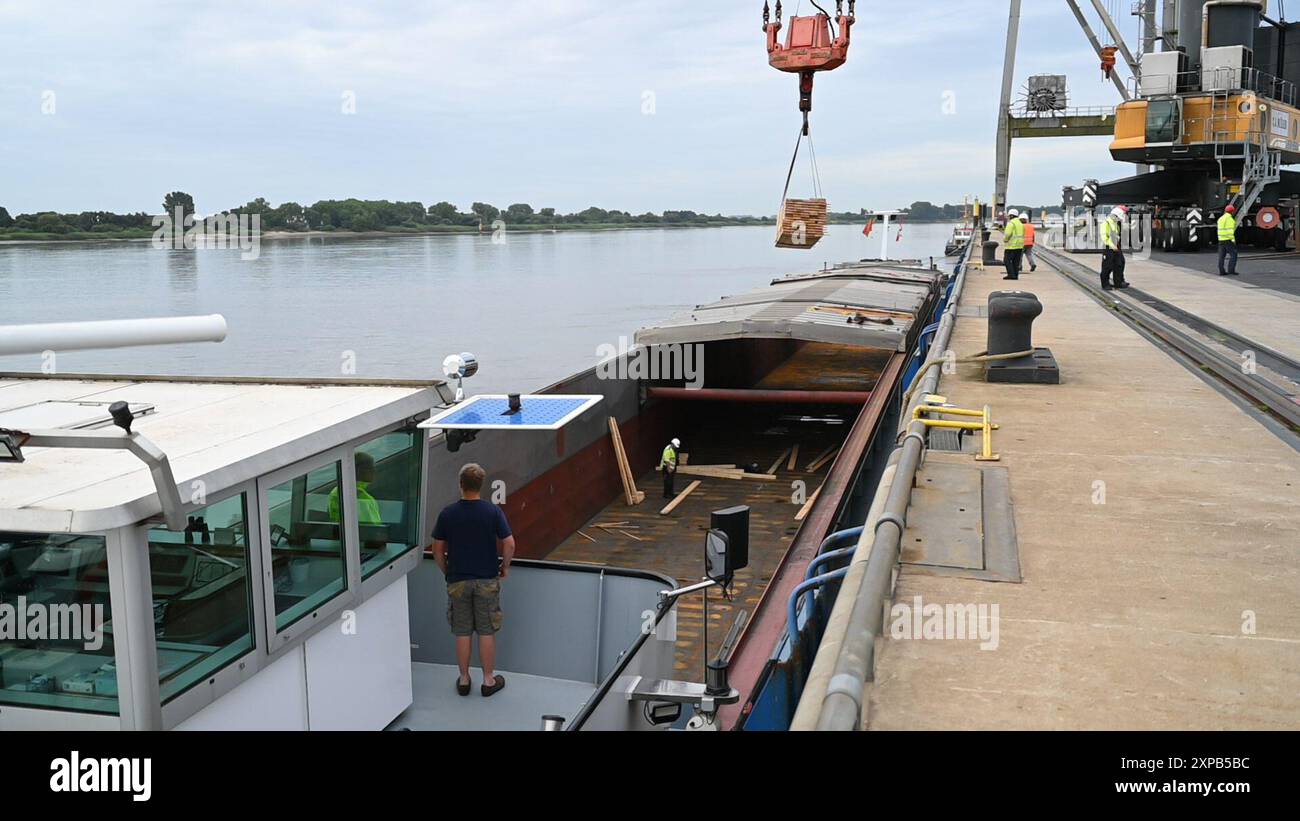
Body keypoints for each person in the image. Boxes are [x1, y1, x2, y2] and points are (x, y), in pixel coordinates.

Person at [431, 463, 515, 698]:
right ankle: (488, 681)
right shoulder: (492, 512)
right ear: (481, 485)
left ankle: (465, 679)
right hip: (487, 579)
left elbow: (438, 549)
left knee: (463, 631)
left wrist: (447, 570)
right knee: (486, 631)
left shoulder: (448, 513)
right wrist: (504, 567)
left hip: (458, 580)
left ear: (461, 485)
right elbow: (509, 543)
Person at [1100, 205, 1131, 290]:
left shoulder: (1116, 223)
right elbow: (1104, 237)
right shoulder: (1105, 223)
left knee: (1120, 263)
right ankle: (1105, 284)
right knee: (1107, 266)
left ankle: (1118, 282)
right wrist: (1112, 246)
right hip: (1109, 247)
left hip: (1116, 246)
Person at [1002, 209, 1025, 280]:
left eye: (1009, 216)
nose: (1008, 217)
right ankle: (1015, 275)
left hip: (1011, 246)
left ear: (1011, 215)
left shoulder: (1011, 223)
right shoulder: (1021, 224)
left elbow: (1007, 234)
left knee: (1007, 260)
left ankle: (1011, 275)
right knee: (1016, 262)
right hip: (1020, 246)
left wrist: (1005, 240)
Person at [1218, 205, 1239, 276]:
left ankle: (1221, 271)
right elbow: (1230, 231)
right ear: (1232, 211)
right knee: (1234, 255)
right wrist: (1233, 240)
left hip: (1221, 239)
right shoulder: (1230, 219)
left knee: (1221, 256)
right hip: (1228, 240)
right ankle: (1231, 270)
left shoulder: (1221, 218)